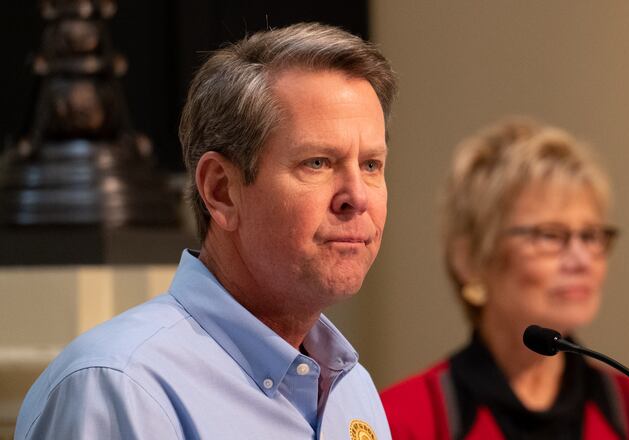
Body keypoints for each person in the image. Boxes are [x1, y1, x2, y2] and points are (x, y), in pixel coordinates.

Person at [15, 23, 397, 440]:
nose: (356, 197)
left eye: (371, 165)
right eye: (318, 163)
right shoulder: (119, 388)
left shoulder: (351, 389)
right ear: (221, 191)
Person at [380, 118, 629, 439]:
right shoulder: (401, 421)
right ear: (470, 259)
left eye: (591, 235)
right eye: (550, 235)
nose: (581, 260)